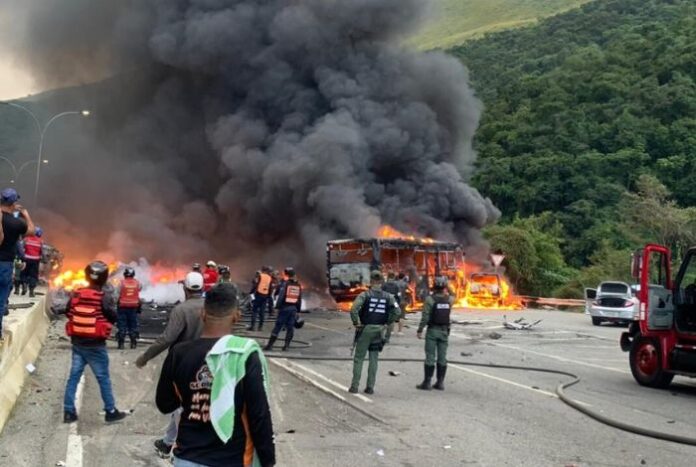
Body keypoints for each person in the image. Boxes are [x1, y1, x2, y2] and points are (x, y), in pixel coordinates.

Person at [156, 283, 275, 467]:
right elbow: (259, 415)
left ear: (203, 314)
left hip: (186, 458)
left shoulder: (179, 353)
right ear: (237, 316)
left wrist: (197, 402)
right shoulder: (244, 355)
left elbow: (165, 404)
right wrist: (268, 461)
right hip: (233, 459)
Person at [136, 271, 206, 458]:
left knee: (178, 405)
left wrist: (145, 357)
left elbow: (167, 338)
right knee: (196, 403)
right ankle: (167, 442)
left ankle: (184, 447)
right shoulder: (211, 309)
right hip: (207, 363)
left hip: (183, 364)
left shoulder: (181, 310)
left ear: (185, 288)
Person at [60, 261, 128, 423]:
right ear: (104, 278)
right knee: (103, 377)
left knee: (73, 377)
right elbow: (112, 316)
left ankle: (69, 412)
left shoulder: (76, 294)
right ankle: (110, 411)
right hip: (96, 346)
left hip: (77, 343)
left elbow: (69, 311)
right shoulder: (102, 297)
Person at [349, 270, 400, 395]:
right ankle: (370, 387)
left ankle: (354, 386)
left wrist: (357, 323)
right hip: (379, 329)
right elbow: (397, 311)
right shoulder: (389, 296)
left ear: (371, 281)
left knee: (359, 358)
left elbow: (354, 309)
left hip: (366, 329)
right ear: (382, 282)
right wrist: (388, 322)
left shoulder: (364, 295)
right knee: (374, 359)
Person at [0, 188, 35, 341]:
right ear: (13, 203)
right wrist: (25, 214)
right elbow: (31, 231)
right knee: (1, 300)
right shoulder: (16, 223)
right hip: (5, 266)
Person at [416, 276, 454, 391]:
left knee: (430, 356)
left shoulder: (429, 300)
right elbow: (454, 294)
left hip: (432, 331)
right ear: (445, 287)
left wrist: (420, 329)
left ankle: (427, 383)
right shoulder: (450, 300)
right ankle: (440, 382)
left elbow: (425, 317)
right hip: (444, 331)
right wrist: (448, 286)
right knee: (442, 357)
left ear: (434, 286)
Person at [264, 267, 302, 351]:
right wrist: (298, 311)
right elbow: (299, 299)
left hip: (285, 308)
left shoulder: (286, 284)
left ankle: (269, 346)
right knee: (290, 327)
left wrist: (277, 307)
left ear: (287, 274)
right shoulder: (298, 285)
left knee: (278, 326)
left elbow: (281, 297)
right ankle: (286, 346)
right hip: (293, 309)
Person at [116, 267, 142, 349]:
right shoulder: (138, 283)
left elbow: (117, 294)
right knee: (133, 325)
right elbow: (139, 289)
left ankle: (121, 344)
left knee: (122, 325)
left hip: (122, 307)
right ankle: (133, 343)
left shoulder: (121, 283)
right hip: (134, 307)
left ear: (125, 274)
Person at [19, 226, 44, 297]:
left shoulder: (26, 239)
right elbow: (42, 252)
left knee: (24, 273)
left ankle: (24, 284)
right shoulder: (40, 242)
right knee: (33, 275)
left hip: (26, 259)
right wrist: (43, 260)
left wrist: (21, 257)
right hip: (35, 261)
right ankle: (31, 291)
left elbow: (21, 248)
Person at [248, 267, 272, 331]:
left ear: (262, 270)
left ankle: (252, 327)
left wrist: (251, 292)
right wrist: (268, 296)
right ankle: (260, 327)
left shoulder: (260, 276)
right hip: (265, 296)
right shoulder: (269, 278)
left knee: (254, 311)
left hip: (258, 295)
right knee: (262, 312)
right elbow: (270, 288)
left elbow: (256, 285)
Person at [382, 272, 403, 338]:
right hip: (394, 302)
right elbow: (399, 295)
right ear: (394, 277)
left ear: (388, 277)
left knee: (385, 317)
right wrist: (398, 303)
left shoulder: (384, 285)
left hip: (386, 302)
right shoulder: (396, 285)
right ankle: (392, 331)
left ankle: (388, 331)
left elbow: (381, 294)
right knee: (395, 316)